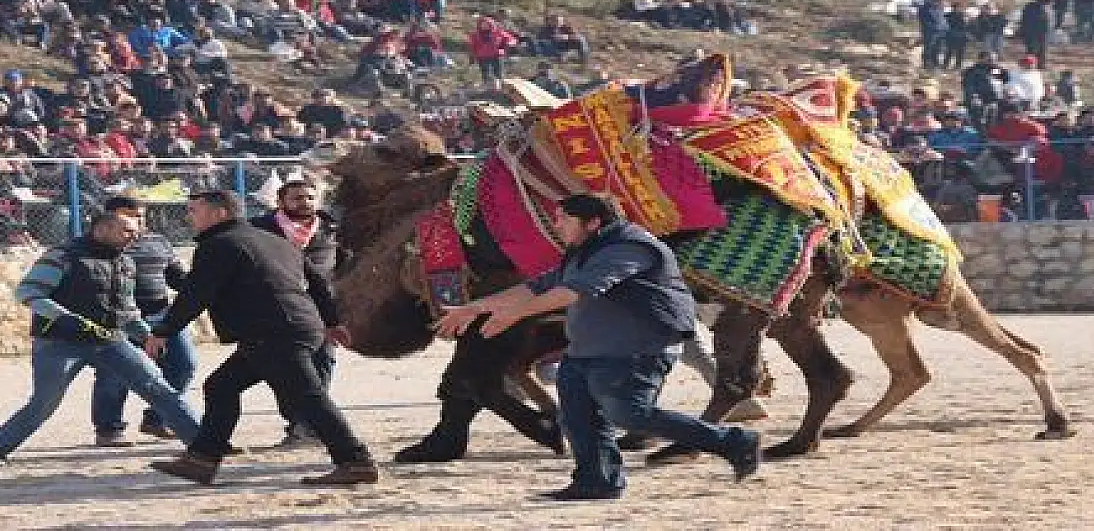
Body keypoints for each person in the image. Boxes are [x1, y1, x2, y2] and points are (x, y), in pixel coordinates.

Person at [435, 193, 760, 500]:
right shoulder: (584, 251)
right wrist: (475, 308)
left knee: (630, 414)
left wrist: (513, 314)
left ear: (593, 222)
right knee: (578, 416)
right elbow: (538, 287)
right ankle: (597, 480)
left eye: (564, 219)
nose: (556, 225)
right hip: (588, 349)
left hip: (637, 349)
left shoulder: (629, 248)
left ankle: (734, 442)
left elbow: (574, 292)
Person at [146, 191, 378, 486]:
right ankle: (202, 459)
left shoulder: (218, 244)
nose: (189, 216)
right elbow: (319, 283)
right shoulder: (276, 240)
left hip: (272, 332)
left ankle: (355, 460)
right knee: (221, 387)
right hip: (294, 327)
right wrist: (331, 321)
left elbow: (196, 294)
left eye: (194, 210)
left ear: (219, 213)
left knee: (308, 396)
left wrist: (164, 330)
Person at [0, 213, 201, 467]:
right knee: (45, 402)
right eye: (127, 231)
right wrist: (65, 318)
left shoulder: (126, 263)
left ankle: (203, 444)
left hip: (111, 339)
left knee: (157, 387)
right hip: (59, 342)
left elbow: (127, 310)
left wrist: (146, 336)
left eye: (135, 231)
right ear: (102, 230)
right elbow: (28, 292)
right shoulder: (63, 256)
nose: (135, 236)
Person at [90, 197, 196, 446]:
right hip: (118, 319)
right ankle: (109, 429)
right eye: (130, 215)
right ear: (109, 219)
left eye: (140, 215)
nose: (138, 220)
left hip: (162, 316)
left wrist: (201, 286)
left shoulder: (158, 242)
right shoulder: (99, 245)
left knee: (184, 365)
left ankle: (157, 420)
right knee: (114, 373)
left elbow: (176, 277)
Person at [249, 180, 345, 448]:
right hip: (278, 309)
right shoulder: (261, 229)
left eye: (310, 198)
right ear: (281, 202)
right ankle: (297, 421)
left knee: (323, 362)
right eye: (297, 198)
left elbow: (344, 261)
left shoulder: (330, 229)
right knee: (287, 369)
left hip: (321, 308)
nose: (305, 203)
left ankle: (309, 424)